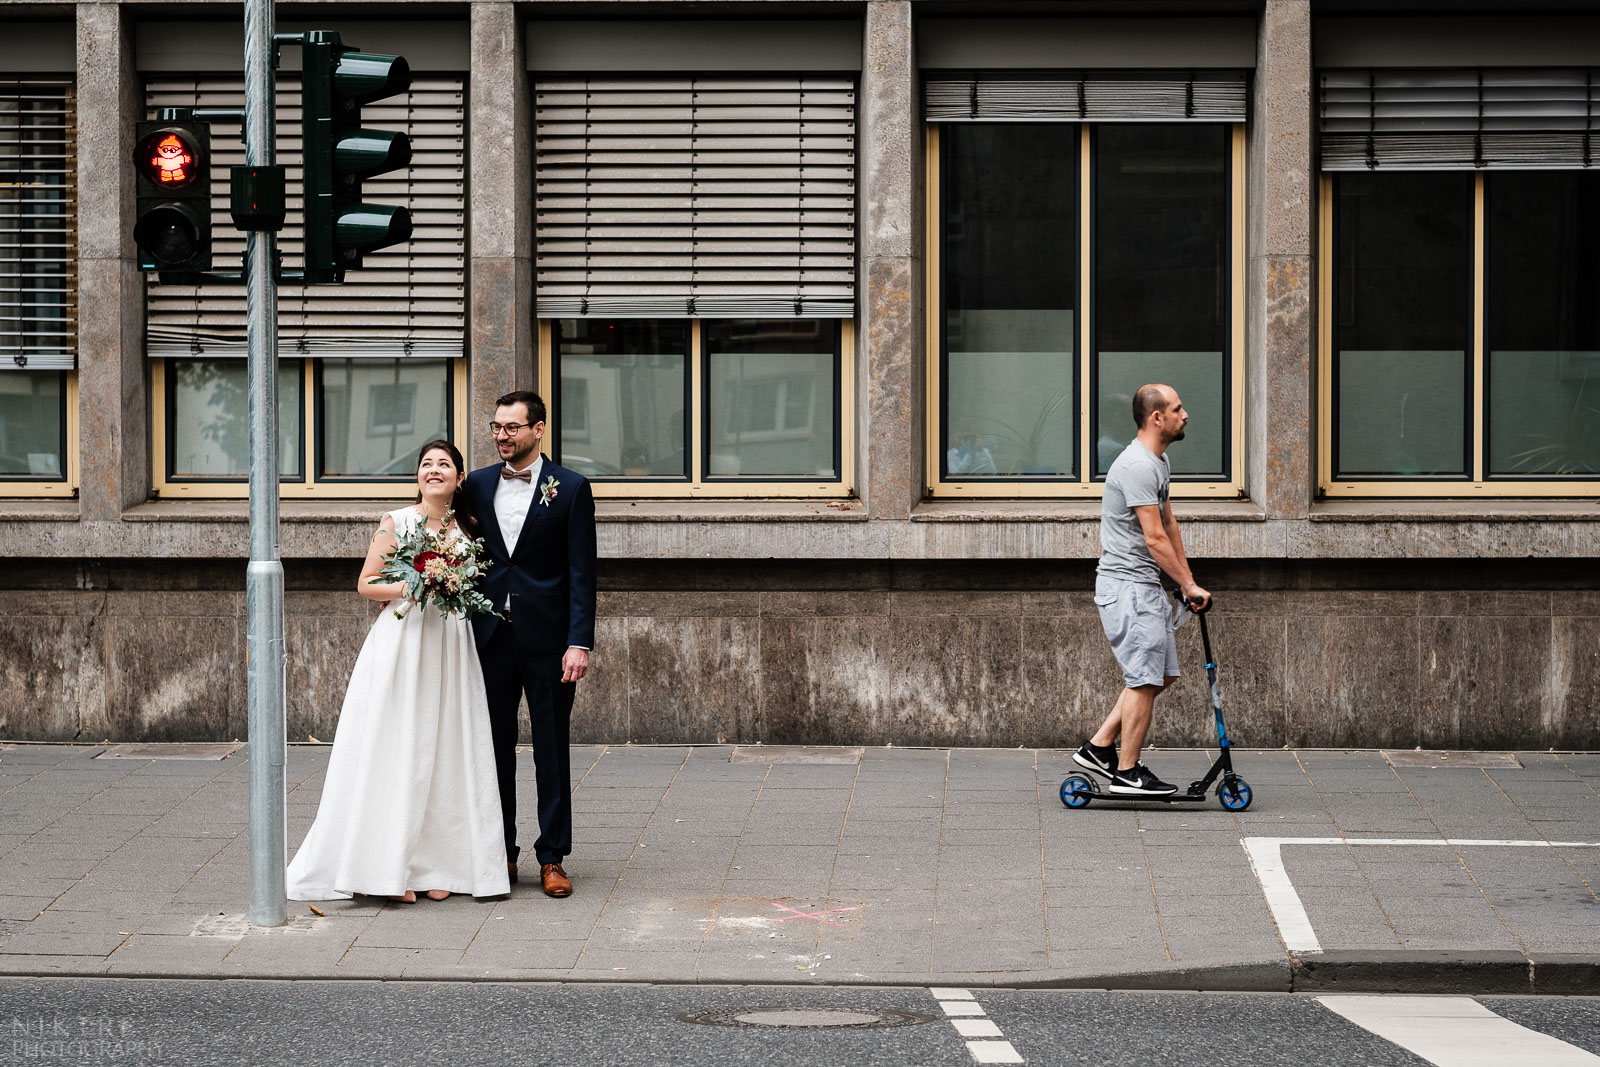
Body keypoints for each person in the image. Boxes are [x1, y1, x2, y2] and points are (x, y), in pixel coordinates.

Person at [286, 440, 511, 903]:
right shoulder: (397, 521)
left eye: (444, 465)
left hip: (449, 647)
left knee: (446, 748)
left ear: (459, 478)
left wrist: (454, 585)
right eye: (427, 465)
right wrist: (415, 582)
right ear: (417, 477)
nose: (435, 471)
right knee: (401, 746)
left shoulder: (468, 529)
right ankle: (391, 867)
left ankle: (440, 863)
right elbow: (366, 583)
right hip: (404, 643)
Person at [465, 391, 597, 899]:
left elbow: (582, 572)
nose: (502, 436)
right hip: (489, 637)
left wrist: (578, 642)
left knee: (550, 750)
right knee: (491, 749)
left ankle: (552, 857)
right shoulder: (474, 485)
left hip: (548, 642)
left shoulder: (571, 488)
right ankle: (501, 853)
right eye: (497, 427)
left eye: (512, 428)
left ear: (538, 429)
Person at [1073, 383, 1211, 797]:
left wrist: (1188, 582)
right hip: (1128, 588)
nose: (1185, 415)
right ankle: (1127, 772)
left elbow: (1169, 527)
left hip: (1144, 587)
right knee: (1143, 677)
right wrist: (1185, 583)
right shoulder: (1135, 466)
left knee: (1160, 675)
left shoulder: (1158, 461)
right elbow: (1153, 538)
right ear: (1157, 418)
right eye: (1177, 408)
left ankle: (1099, 748)